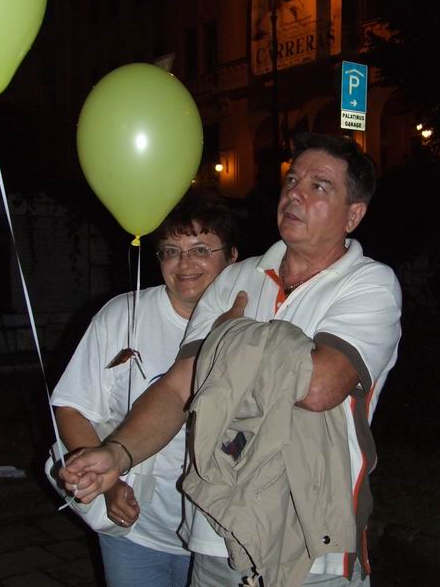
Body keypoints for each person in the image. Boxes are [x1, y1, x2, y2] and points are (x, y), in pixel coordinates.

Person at [59, 133, 402, 586]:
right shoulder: (236, 279)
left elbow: (319, 386)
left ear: (353, 214)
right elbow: (179, 388)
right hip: (214, 535)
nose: (295, 193)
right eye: (292, 180)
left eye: (318, 186)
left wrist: (230, 335)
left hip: (310, 544)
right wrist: (117, 453)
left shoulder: (369, 285)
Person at [51, 189, 238, 587]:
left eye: (201, 249)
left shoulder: (253, 325)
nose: (184, 263)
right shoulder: (122, 315)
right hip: (135, 528)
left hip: (222, 534)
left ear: (232, 257)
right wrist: (110, 485)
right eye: (171, 251)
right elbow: (71, 406)